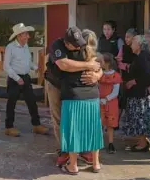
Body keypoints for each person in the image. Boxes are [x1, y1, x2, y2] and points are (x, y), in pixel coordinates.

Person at [44, 26, 102, 166]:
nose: (78, 48)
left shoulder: (81, 43)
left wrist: (97, 75)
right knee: (59, 118)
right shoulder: (56, 46)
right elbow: (64, 65)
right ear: (67, 44)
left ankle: (81, 149)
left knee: (78, 120)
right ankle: (64, 149)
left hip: (72, 86)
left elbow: (98, 63)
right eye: (75, 46)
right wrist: (88, 65)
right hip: (55, 84)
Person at [60, 29, 103, 175]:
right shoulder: (94, 57)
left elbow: (62, 66)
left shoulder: (70, 56)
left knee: (73, 132)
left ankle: (73, 165)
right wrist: (97, 74)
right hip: (92, 98)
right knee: (93, 130)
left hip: (73, 98)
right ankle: (96, 163)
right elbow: (102, 68)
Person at [3, 23, 49, 137]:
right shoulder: (10, 47)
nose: (28, 36)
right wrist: (17, 78)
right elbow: (6, 66)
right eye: (26, 34)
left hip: (26, 78)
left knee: (32, 102)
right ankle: (9, 127)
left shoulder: (26, 46)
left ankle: (36, 125)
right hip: (15, 79)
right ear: (19, 36)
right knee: (11, 104)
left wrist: (36, 67)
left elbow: (28, 63)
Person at [122, 35, 150, 152]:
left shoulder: (143, 57)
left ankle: (142, 143)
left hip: (141, 94)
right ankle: (142, 141)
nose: (131, 44)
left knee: (141, 118)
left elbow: (148, 75)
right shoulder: (141, 56)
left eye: (133, 42)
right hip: (140, 93)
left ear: (139, 45)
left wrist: (133, 81)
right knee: (140, 118)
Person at [99, 53, 122, 154]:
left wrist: (106, 99)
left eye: (101, 61)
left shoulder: (115, 75)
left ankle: (111, 143)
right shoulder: (99, 74)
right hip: (99, 102)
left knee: (110, 124)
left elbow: (115, 92)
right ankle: (98, 143)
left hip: (111, 103)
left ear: (107, 62)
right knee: (99, 122)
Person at [115, 28, 138, 129]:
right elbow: (118, 60)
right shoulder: (123, 48)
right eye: (125, 37)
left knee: (133, 101)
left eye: (128, 37)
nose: (126, 39)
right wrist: (126, 66)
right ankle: (116, 123)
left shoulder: (138, 49)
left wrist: (130, 65)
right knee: (122, 101)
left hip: (135, 78)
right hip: (125, 78)